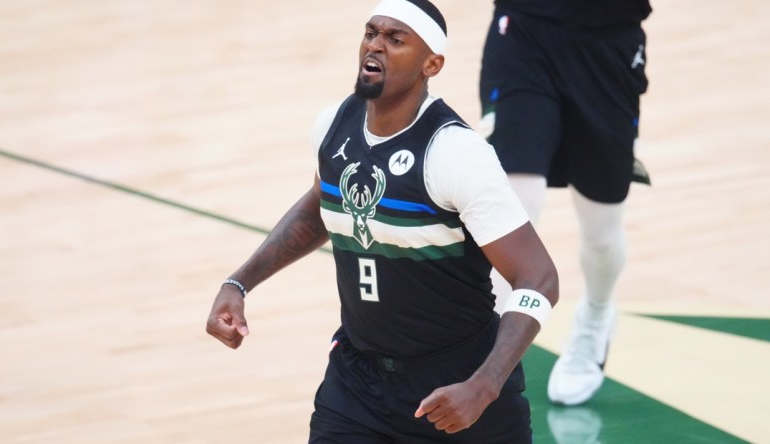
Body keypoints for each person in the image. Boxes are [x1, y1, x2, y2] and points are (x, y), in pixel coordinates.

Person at [206, 0, 559, 442]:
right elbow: (322, 204)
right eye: (371, 33)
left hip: (457, 386)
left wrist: (485, 385)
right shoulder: (334, 124)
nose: (376, 45)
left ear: (432, 64)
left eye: (395, 39)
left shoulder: (454, 154)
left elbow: (539, 278)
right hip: (358, 382)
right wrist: (239, 283)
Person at [478, 0, 652, 407]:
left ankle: (596, 315)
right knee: (516, 206)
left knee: (601, 232)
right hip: (523, 32)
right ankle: (487, 360)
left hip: (609, 43)